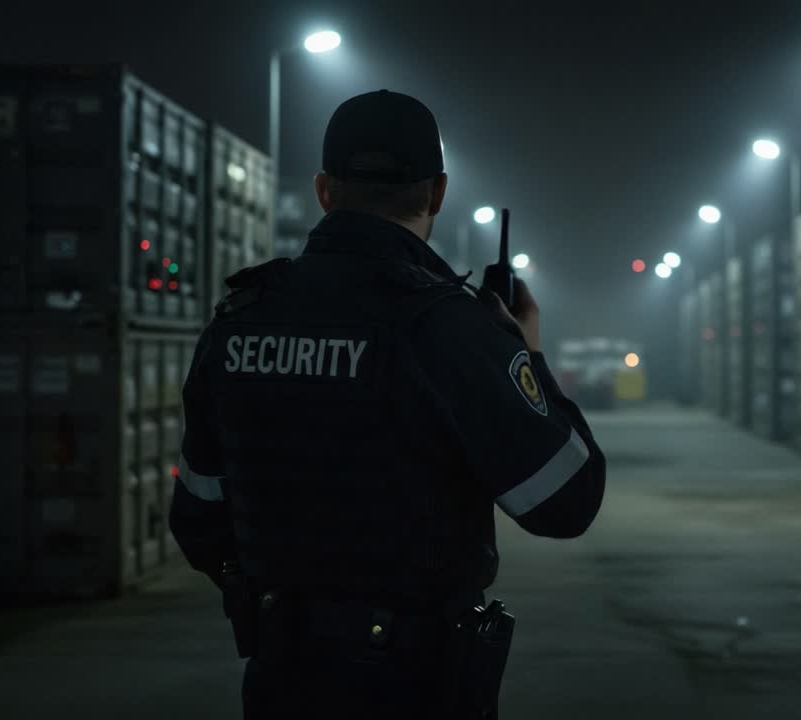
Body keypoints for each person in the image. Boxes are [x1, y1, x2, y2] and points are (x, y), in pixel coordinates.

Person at [168, 89, 606, 719]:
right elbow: (566, 501)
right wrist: (526, 356)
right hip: (415, 682)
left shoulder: (240, 319)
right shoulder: (449, 328)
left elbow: (201, 519)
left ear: (323, 190)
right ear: (437, 194)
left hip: (280, 674)